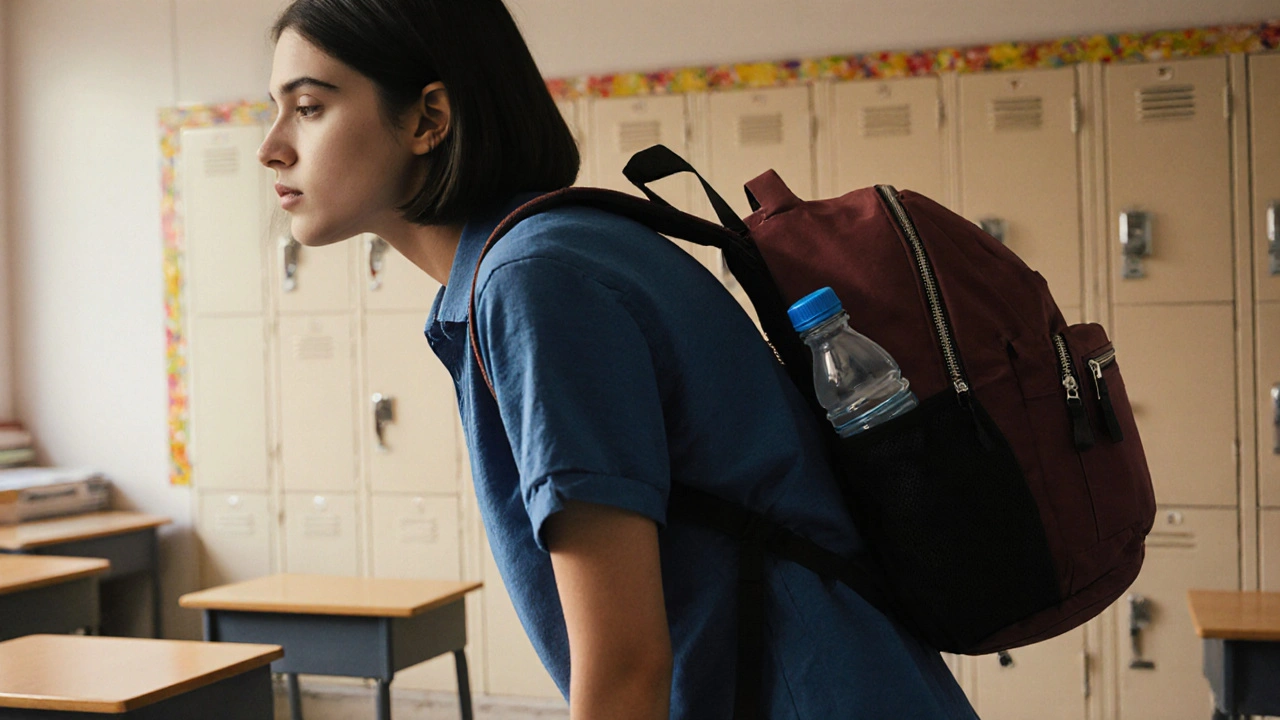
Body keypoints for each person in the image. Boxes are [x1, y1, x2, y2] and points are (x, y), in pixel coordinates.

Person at [258, 1, 980, 718]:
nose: (272, 147)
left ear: (428, 119)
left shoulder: (534, 281)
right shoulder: (556, 250)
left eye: (310, 108)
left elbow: (626, 666)